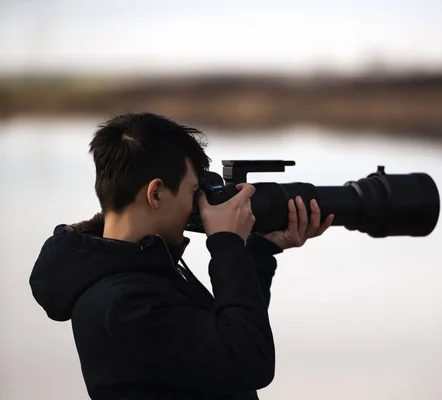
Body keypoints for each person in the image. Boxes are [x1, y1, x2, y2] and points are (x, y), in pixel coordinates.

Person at [29, 112, 334, 400]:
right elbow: (248, 361)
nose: (199, 206)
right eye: (193, 192)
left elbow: (227, 333)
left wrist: (261, 249)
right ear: (156, 194)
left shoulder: (130, 268)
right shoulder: (125, 303)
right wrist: (226, 244)